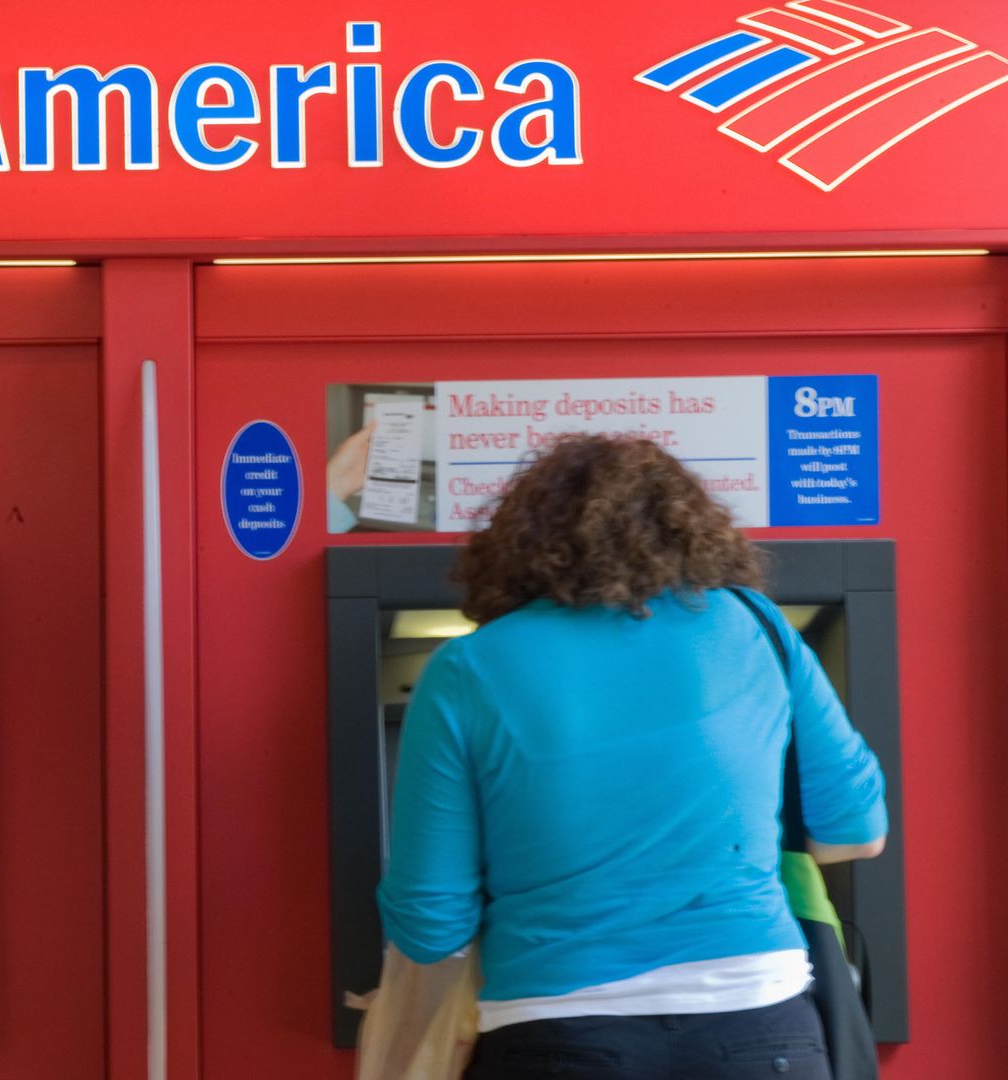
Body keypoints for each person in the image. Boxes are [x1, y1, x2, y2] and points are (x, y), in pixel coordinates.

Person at [377, 435, 887, 1080]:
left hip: (554, 1032)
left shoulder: (467, 670)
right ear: (691, 530)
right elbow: (857, 834)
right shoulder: (755, 627)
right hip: (761, 1028)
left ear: (518, 548)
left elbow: (430, 926)